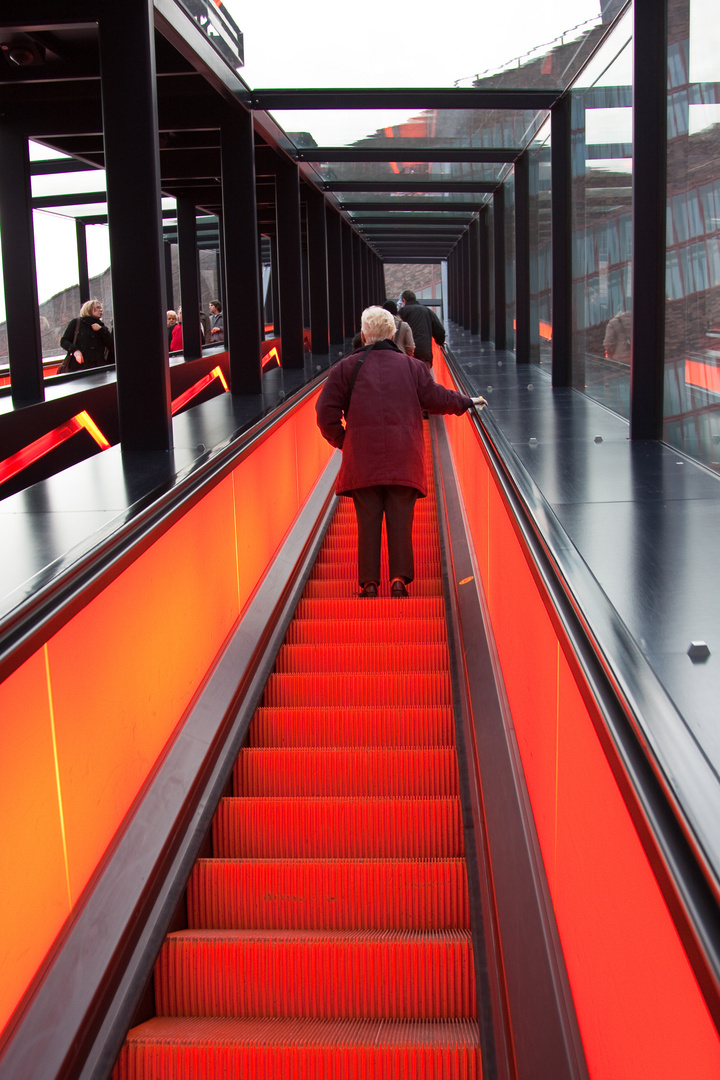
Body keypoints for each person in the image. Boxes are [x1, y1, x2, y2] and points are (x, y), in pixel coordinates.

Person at [316, 306, 486, 598]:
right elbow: (436, 398)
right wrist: (466, 402)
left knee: (367, 521)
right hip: (403, 455)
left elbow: (324, 413)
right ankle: (398, 580)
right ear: (393, 334)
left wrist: (345, 441)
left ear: (364, 333)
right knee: (401, 519)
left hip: (363, 460)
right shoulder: (412, 367)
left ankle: (369, 584)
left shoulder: (345, 368)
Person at [60, 298, 114, 368]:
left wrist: (101, 330)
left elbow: (111, 346)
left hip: (98, 368)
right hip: (79, 367)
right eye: (97, 307)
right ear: (89, 309)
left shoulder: (102, 327)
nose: (101, 310)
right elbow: (64, 341)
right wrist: (75, 351)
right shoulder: (76, 323)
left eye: (101, 308)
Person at [398, 289, 445, 367]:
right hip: (425, 354)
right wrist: (440, 342)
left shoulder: (402, 312)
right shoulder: (427, 311)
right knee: (424, 377)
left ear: (404, 300)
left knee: (409, 378)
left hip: (408, 355)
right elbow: (439, 331)